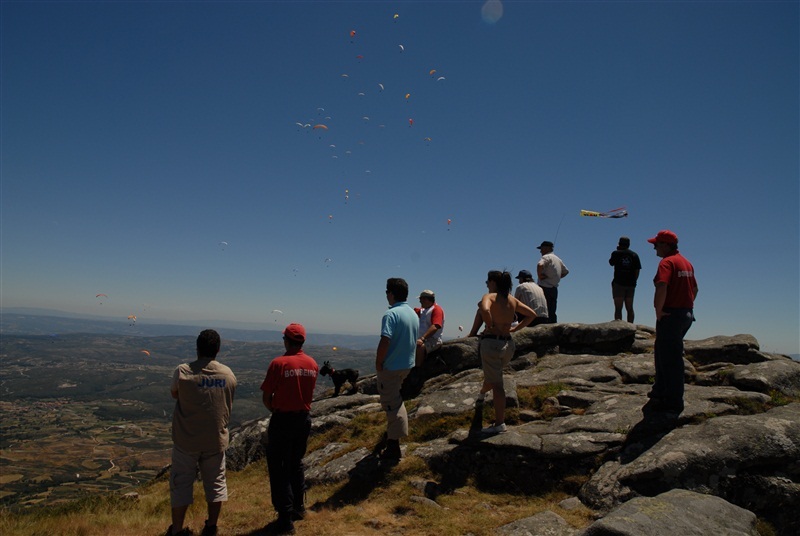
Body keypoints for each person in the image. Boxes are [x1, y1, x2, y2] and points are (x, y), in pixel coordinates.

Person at [168, 329, 237, 536]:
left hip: (186, 440)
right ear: (218, 349)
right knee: (216, 483)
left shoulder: (183, 371)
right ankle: (211, 526)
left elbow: (174, 394)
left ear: (197, 348)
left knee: (181, 485)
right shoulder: (228, 375)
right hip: (215, 440)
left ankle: (177, 530)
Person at [261, 323, 319, 535]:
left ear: (286, 340)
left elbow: (266, 397)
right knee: (295, 463)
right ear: (302, 341)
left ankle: (285, 519)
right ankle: (299, 507)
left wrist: (275, 409)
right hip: (303, 420)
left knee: (279, 467)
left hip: (282, 420)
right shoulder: (312, 363)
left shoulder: (279, 363)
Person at [468, 271, 536, 434]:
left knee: (498, 385)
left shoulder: (490, 297)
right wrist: (515, 328)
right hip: (508, 345)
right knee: (494, 375)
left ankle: (500, 423)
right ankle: (482, 395)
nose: (486, 284)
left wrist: (490, 325)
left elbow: (484, 309)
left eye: (488, 281)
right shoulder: (512, 300)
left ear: (493, 283)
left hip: (492, 343)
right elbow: (532, 315)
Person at [645, 230, 698, 415]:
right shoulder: (686, 262)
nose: (654, 248)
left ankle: (673, 401)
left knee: (671, 359)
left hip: (671, 316)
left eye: (656, 244)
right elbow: (695, 288)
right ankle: (659, 390)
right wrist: (687, 307)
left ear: (666, 245)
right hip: (685, 314)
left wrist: (658, 311)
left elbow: (662, 286)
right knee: (662, 352)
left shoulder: (667, 262)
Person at [376, 277, 419, 461]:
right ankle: (393, 436)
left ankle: (394, 446)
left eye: (387, 292)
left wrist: (379, 362)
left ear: (391, 293)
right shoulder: (412, 314)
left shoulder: (391, 314)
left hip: (391, 367)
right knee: (395, 398)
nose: (386, 295)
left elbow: (385, 339)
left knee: (392, 403)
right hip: (406, 365)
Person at [608, 236, 642, 323]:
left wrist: (618, 250)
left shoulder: (616, 253)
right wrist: (634, 281)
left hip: (618, 283)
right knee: (630, 307)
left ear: (619, 243)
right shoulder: (634, 255)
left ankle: (618, 329)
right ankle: (631, 327)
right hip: (630, 284)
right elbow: (637, 270)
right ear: (629, 244)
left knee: (618, 308)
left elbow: (611, 263)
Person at [536, 241, 569, 323]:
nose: (540, 251)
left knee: (543, 310)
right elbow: (566, 271)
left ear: (547, 248)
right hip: (554, 288)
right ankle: (553, 326)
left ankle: (544, 326)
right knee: (552, 311)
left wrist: (540, 276)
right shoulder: (558, 259)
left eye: (541, 249)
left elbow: (540, 265)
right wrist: (555, 277)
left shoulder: (546, 257)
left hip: (544, 287)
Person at [414, 289, 445, 366]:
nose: (420, 301)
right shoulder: (424, 310)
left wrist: (422, 338)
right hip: (422, 338)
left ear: (426, 299)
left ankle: (418, 370)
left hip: (433, 340)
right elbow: (415, 311)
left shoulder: (436, 309)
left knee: (420, 347)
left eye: (421, 299)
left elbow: (436, 326)